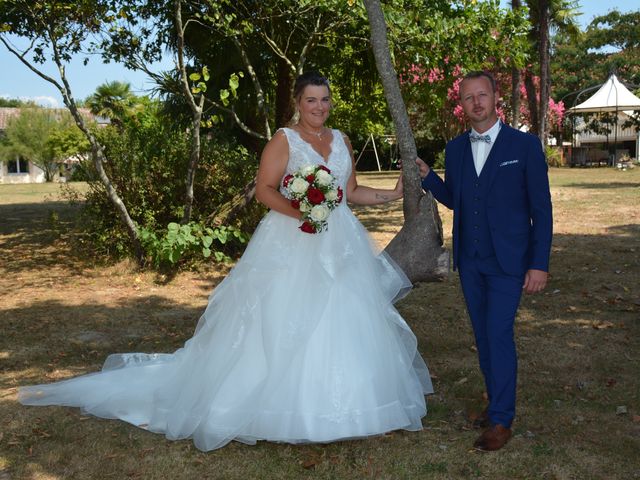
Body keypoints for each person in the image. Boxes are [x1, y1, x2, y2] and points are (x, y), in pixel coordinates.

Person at [19, 72, 433, 452]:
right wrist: (305, 212)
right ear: (297, 102)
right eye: (311, 100)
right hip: (293, 239)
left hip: (340, 241)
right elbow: (265, 190)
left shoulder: (341, 139)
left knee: (345, 317)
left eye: (325, 100)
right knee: (282, 320)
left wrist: (394, 195)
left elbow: (351, 192)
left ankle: (354, 405)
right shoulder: (285, 140)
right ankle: (278, 406)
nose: (319, 107)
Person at [416, 71, 552, 451]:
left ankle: (502, 419)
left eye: (482, 95)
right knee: (482, 335)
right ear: (461, 104)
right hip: (471, 261)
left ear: (495, 98)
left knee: (497, 333)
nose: (476, 103)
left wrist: (538, 263)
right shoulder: (456, 149)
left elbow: (541, 209)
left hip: (509, 261)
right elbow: (460, 200)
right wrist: (429, 177)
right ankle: (496, 405)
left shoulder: (523, 146)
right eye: (468, 97)